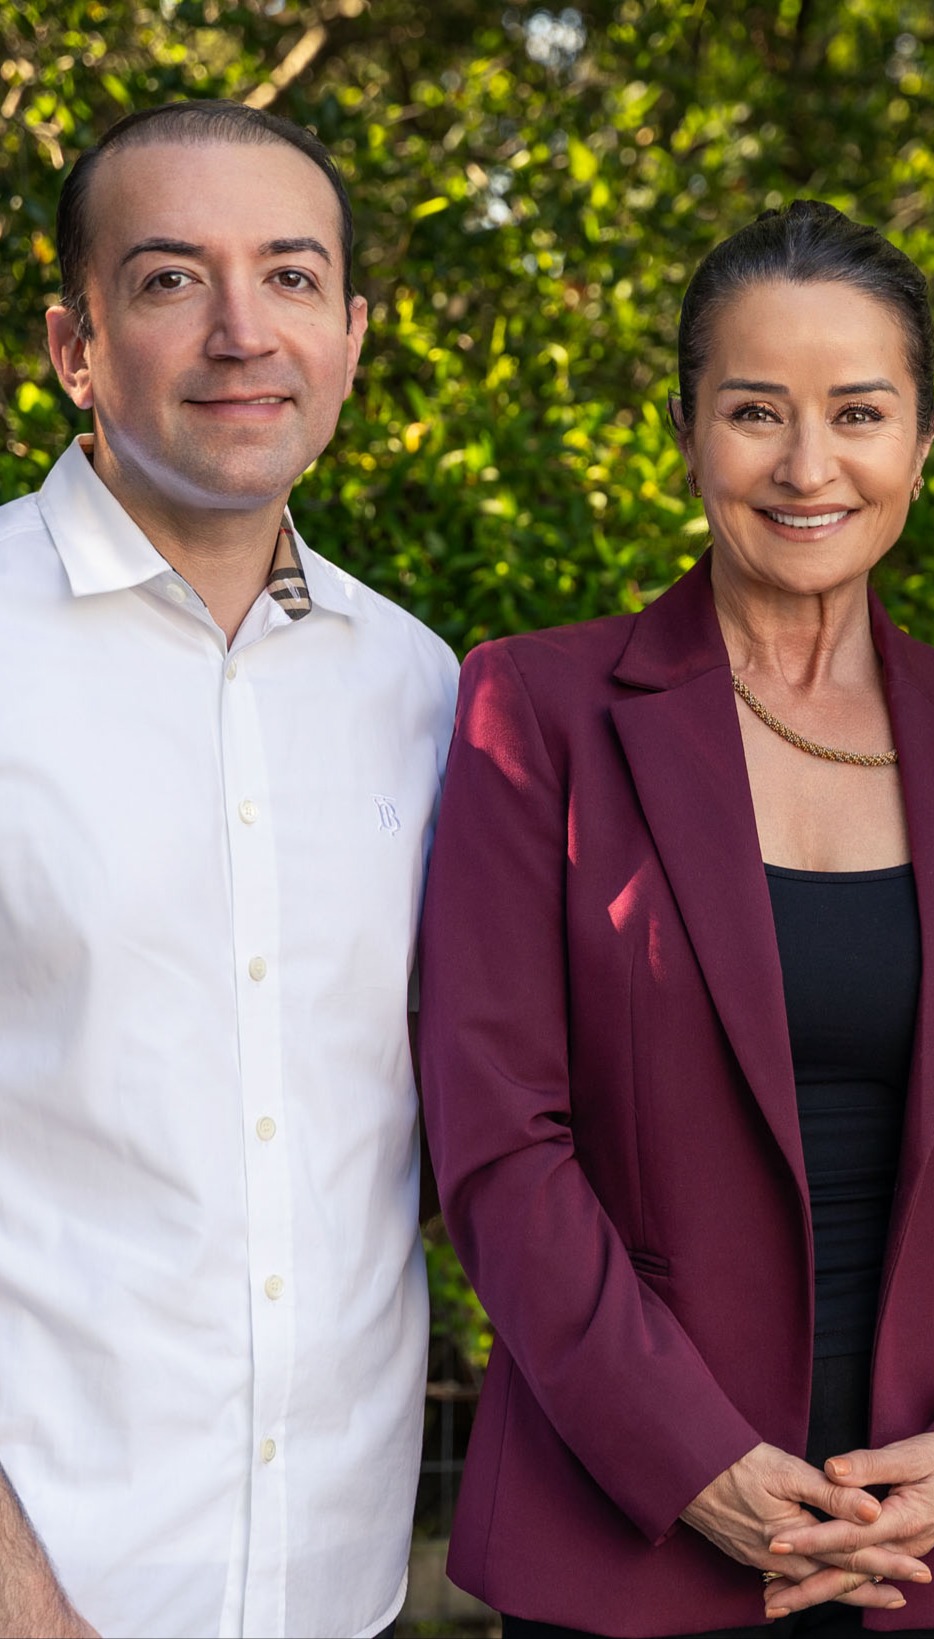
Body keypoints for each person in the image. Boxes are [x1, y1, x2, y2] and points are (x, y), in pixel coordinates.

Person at [418, 199, 934, 1638]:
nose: (808, 466)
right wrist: (695, 1464)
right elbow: (496, 1136)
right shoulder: (535, 708)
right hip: (633, 1534)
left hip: (932, 1536)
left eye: (859, 412)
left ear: (923, 439)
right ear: (686, 432)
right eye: (755, 412)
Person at [0, 102, 458, 1638]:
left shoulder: (424, 689)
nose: (243, 332)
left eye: (292, 277)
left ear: (352, 333)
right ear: (76, 342)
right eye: (172, 280)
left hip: (334, 1588)